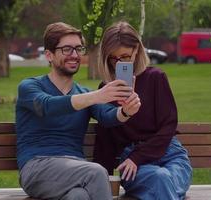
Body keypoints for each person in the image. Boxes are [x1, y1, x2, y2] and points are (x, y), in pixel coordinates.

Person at [15, 22, 141, 200]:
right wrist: (96, 96)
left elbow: (107, 116)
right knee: (97, 172)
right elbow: (47, 106)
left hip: (75, 168)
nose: (74, 55)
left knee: (79, 196)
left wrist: (126, 111)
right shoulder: (30, 87)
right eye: (67, 49)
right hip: (37, 167)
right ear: (49, 55)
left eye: (78, 49)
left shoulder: (84, 93)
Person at [94, 21, 192, 200]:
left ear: (137, 50)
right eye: (113, 58)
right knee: (160, 179)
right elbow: (105, 138)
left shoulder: (156, 78)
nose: (119, 63)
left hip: (171, 155)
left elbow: (168, 126)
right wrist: (103, 181)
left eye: (125, 56)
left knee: (162, 181)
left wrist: (138, 156)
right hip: (132, 165)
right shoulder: (106, 89)